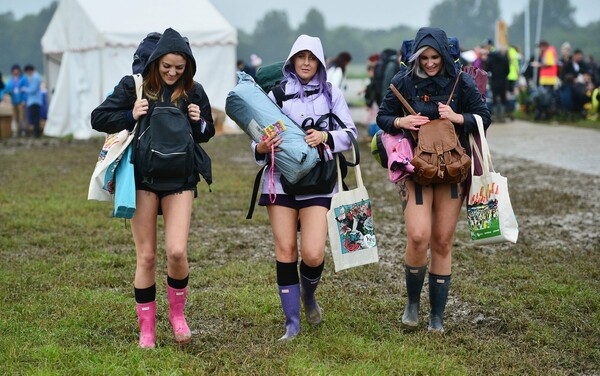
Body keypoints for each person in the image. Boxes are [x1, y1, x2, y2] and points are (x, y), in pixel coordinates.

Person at [91, 28, 215, 348]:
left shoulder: (194, 91)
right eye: (167, 67)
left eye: (179, 67)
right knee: (146, 257)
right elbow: (98, 117)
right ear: (156, 62)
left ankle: (177, 316)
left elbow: (206, 133)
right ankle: (147, 329)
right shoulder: (134, 87)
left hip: (181, 180)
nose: (173, 73)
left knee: (176, 251)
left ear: (188, 66)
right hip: (142, 180)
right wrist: (129, 114)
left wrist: (199, 120)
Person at [376, 27, 491, 332]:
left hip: (453, 170)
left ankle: (436, 316)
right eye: (424, 57)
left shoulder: (460, 80)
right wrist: (401, 121)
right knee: (417, 235)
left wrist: (458, 118)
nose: (429, 63)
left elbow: (484, 117)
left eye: (435, 57)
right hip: (415, 169)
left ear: (444, 54)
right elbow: (382, 117)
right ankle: (412, 304)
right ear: (415, 56)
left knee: (441, 241)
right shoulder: (402, 80)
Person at [253, 34, 357, 341]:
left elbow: (350, 134)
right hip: (279, 183)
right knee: (285, 250)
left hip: (320, 184)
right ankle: (292, 323)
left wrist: (326, 137)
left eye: (312, 58)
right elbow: (256, 139)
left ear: (321, 62)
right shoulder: (276, 95)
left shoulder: (332, 94)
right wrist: (260, 147)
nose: (306, 63)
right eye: (301, 57)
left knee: (312, 254)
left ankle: (309, 296)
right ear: (292, 61)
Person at [4, 64, 28, 137]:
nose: (15, 71)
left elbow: (25, 90)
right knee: (16, 117)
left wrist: (24, 100)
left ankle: (25, 130)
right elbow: (8, 87)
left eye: (16, 70)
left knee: (23, 116)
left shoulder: (23, 79)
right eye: (14, 70)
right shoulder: (11, 79)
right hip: (14, 101)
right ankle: (18, 130)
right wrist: (7, 92)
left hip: (21, 100)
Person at [23, 65, 43, 138]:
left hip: (34, 101)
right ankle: (36, 132)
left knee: (35, 118)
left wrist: (25, 89)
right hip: (36, 101)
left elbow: (33, 90)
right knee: (36, 117)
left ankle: (36, 133)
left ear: (29, 70)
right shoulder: (37, 76)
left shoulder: (35, 77)